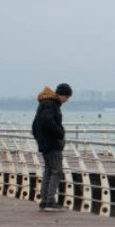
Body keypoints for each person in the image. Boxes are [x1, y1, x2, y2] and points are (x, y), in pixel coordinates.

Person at [32, 82, 72, 212]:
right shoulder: (51, 105)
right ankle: (50, 201)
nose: (66, 101)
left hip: (45, 143)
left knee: (49, 171)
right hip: (52, 144)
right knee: (56, 171)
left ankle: (44, 201)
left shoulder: (45, 104)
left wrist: (40, 139)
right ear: (62, 95)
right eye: (67, 97)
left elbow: (35, 125)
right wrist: (60, 133)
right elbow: (48, 122)